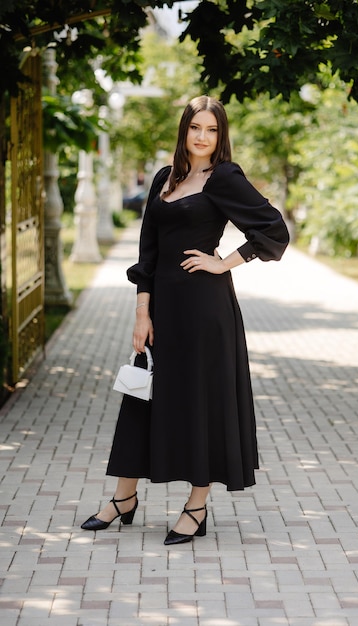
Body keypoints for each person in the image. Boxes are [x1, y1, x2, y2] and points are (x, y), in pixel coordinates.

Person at [81, 95, 290, 545]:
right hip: (162, 310)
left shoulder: (224, 178)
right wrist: (142, 311)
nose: (202, 137)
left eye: (212, 130)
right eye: (196, 127)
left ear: (221, 135)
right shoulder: (164, 178)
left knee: (202, 402)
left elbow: (274, 230)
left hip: (204, 310)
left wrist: (225, 262)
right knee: (142, 396)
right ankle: (123, 498)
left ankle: (196, 506)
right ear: (184, 129)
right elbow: (148, 252)